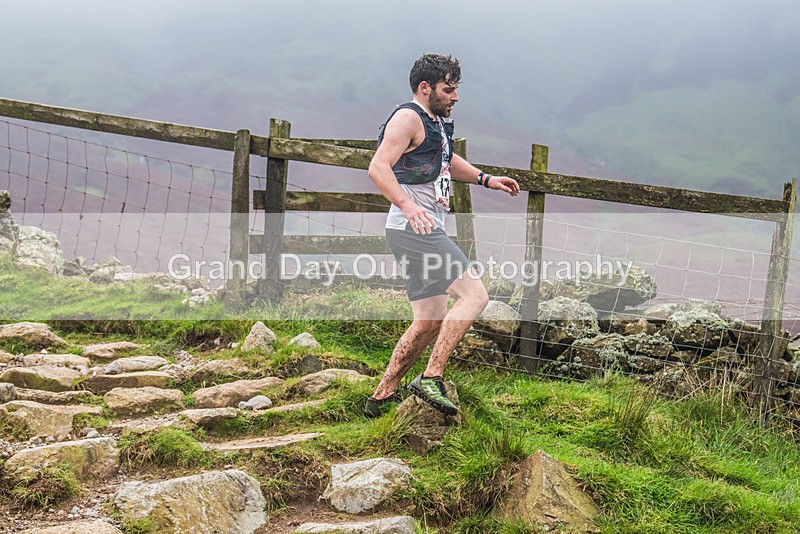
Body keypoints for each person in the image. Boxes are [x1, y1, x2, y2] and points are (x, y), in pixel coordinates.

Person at [364, 53, 520, 417]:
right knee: (475, 296)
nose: (456, 97)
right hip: (414, 230)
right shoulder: (408, 118)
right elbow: (378, 167)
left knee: (429, 321)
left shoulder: (434, 122)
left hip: (415, 231)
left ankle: (381, 397)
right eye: (448, 90)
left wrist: (486, 179)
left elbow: (445, 161)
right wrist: (408, 205)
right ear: (425, 88)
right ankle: (432, 376)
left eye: (456, 89)